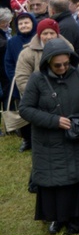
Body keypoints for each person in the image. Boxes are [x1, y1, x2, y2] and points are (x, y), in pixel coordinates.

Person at [19, 38, 79, 235]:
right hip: (50, 142)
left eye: (66, 64)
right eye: (58, 65)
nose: (63, 68)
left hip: (78, 137)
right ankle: (57, 217)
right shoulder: (37, 79)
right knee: (56, 182)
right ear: (47, 62)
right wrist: (53, 121)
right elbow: (25, 109)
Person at [5, 12, 37, 151]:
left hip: (37, 82)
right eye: (21, 23)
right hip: (19, 83)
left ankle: (38, 139)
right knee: (23, 113)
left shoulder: (38, 39)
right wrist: (17, 78)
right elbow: (8, 62)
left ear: (33, 23)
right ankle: (26, 139)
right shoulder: (12, 42)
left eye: (26, 22)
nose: (24, 25)